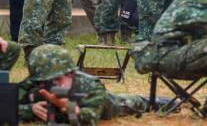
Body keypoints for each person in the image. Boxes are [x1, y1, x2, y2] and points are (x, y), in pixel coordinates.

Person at [18, 44, 148, 124]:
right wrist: (30, 109)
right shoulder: (36, 83)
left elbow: (90, 118)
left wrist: (68, 107)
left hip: (117, 105)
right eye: (46, 81)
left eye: (58, 78)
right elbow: (6, 106)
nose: (53, 85)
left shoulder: (91, 85)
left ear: (71, 73)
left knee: (144, 102)